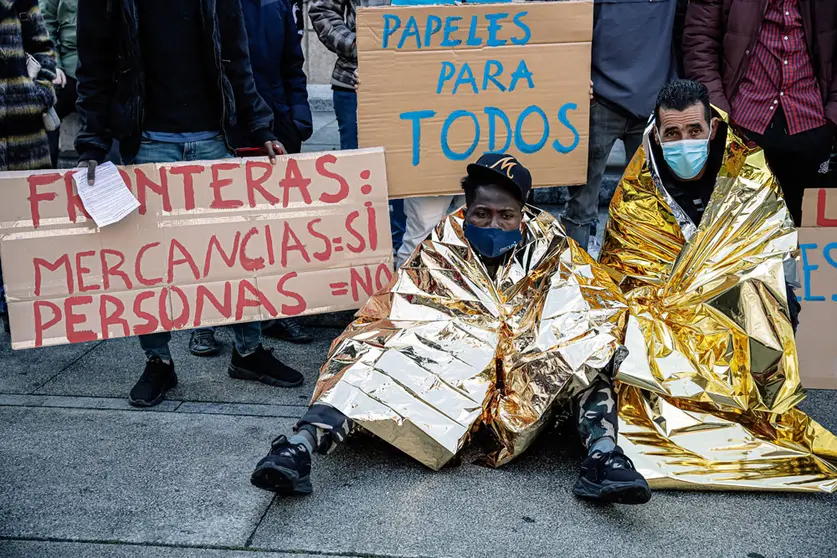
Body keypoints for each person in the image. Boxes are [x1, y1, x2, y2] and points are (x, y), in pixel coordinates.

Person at [250, 153, 652, 505]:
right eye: (482, 213)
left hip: (528, 372)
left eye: (505, 215)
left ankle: (603, 457)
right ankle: (299, 447)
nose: (493, 223)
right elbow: (395, 309)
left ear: (522, 214)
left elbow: (594, 306)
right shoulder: (443, 242)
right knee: (366, 352)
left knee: (590, 358)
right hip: (453, 367)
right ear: (467, 209)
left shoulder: (552, 246)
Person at [598, 80, 837, 492]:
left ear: (711, 128)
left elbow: (765, 254)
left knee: (770, 297)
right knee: (624, 324)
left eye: (693, 131)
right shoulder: (635, 190)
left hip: (728, 301)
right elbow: (622, 274)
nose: (683, 142)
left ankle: (747, 406)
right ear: (656, 133)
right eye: (672, 134)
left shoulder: (747, 172)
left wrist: (709, 283)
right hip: (665, 312)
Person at [75, 0, 304, 407]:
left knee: (237, 254)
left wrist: (260, 125)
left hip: (215, 140)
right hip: (147, 143)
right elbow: (93, 67)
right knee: (150, 263)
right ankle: (158, 361)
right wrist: (92, 143)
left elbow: (237, 58)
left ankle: (248, 353)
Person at [189, 0, 314, 356]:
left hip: (276, 129)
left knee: (271, 228)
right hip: (219, 129)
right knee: (214, 231)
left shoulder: (274, 5)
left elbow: (292, 65)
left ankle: (273, 310)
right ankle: (205, 321)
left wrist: (297, 119)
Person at [684, 0, 837, 227]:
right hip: (742, 130)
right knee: (740, 245)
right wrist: (720, 113)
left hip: (814, 126)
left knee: (817, 246)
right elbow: (699, 42)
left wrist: (833, 115)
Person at [561, 0, 689, 253]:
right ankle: (575, 275)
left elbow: (691, 27)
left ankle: (634, 278)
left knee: (650, 202)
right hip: (600, 99)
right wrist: (574, 72)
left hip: (653, 101)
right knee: (583, 204)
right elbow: (569, 22)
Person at [308, 0, 406, 255]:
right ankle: (362, 251)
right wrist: (359, 45)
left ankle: (404, 248)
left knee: (408, 169)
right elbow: (321, 11)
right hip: (355, 82)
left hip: (413, 82)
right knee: (359, 172)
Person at [0, 0, 57, 333]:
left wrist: (41, 91)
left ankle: (20, 308)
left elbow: (44, 50)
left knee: (24, 228)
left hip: (26, 140)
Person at [40, 0, 76, 168]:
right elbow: (45, 24)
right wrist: (55, 64)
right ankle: (47, 178)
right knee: (45, 114)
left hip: (107, 70)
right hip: (68, 68)